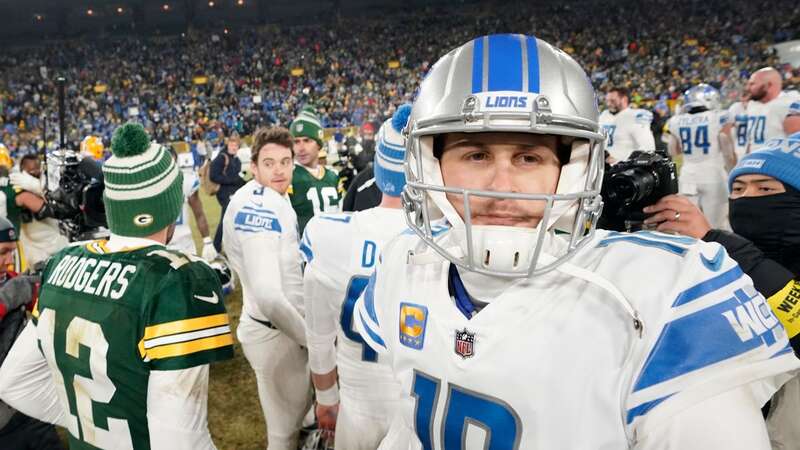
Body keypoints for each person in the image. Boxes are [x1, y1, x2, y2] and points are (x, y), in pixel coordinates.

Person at [353, 34, 798, 449]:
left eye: (529, 157)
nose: (502, 184)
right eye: (476, 154)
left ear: (576, 168)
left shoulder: (663, 289)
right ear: (431, 165)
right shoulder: (405, 264)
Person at [0, 123, 234, 449]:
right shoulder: (178, 279)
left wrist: (90, 421)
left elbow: (13, 383)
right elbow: (182, 436)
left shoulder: (61, 262)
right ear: (167, 206)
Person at [643, 134, 800, 449]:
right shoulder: (737, 248)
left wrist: (717, 240)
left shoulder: (730, 247)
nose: (746, 198)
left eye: (765, 188)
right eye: (738, 189)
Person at [302, 105, 411, 449]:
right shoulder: (444, 240)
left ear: (378, 172)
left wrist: (326, 397)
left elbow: (319, 338)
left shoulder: (329, 234)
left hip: (355, 405)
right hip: (415, 408)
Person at [222, 126, 311, 450]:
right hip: (275, 330)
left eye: (285, 162)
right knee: (283, 433)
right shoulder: (259, 206)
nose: (279, 170)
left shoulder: (266, 197)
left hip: (275, 326)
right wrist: (313, 342)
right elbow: (270, 296)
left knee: (297, 419)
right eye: (269, 163)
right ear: (254, 167)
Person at [0, 216, 64, 450]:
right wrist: (10, 296)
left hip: (29, 409)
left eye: (11, 253)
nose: (8, 261)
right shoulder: (12, 288)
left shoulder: (13, 281)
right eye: (2, 253)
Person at [665, 84, 735, 229]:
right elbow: (727, 149)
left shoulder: (676, 120)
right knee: (717, 225)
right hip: (713, 175)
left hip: (688, 175)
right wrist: (732, 172)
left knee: (686, 224)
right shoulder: (718, 117)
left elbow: (673, 151)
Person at [288, 105, 342, 234]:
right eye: (296, 142)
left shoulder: (333, 176)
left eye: (307, 141)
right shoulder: (288, 176)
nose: (301, 148)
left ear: (318, 143)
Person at [168, 147, 217, 260]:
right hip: (160, 244)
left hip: (184, 242)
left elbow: (199, 213)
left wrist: (207, 241)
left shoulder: (186, 181)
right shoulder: (150, 185)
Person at [743, 67, 800, 153]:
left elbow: (797, 144)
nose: (747, 88)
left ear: (769, 85)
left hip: (776, 163)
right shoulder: (752, 105)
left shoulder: (788, 105)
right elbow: (752, 140)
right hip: (754, 161)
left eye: (752, 84)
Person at [599, 86, 656, 162]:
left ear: (624, 99)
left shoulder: (634, 116)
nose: (609, 104)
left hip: (624, 169)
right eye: (607, 100)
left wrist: (626, 162)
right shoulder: (604, 115)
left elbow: (648, 147)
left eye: (613, 100)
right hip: (603, 167)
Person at [210, 131, 245, 252]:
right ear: (228, 144)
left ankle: (231, 246)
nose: (234, 147)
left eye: (236, 146)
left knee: (233, 220)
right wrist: (231, 180)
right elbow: (213, 176)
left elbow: (237, 178)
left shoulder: (237, 161)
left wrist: (246, 183)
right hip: (224, 194)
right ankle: (216, 247)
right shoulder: (221, 157)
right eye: (232, 145)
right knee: (225, 220)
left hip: (235, 193)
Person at [724, 89, 751, 162]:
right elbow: (727, 130)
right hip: (739, 147)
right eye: (743, 96)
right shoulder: (735, 107)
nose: (745, 100)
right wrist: (731, 150)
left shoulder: (756, 107)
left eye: (748, 99)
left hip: (753, 147)